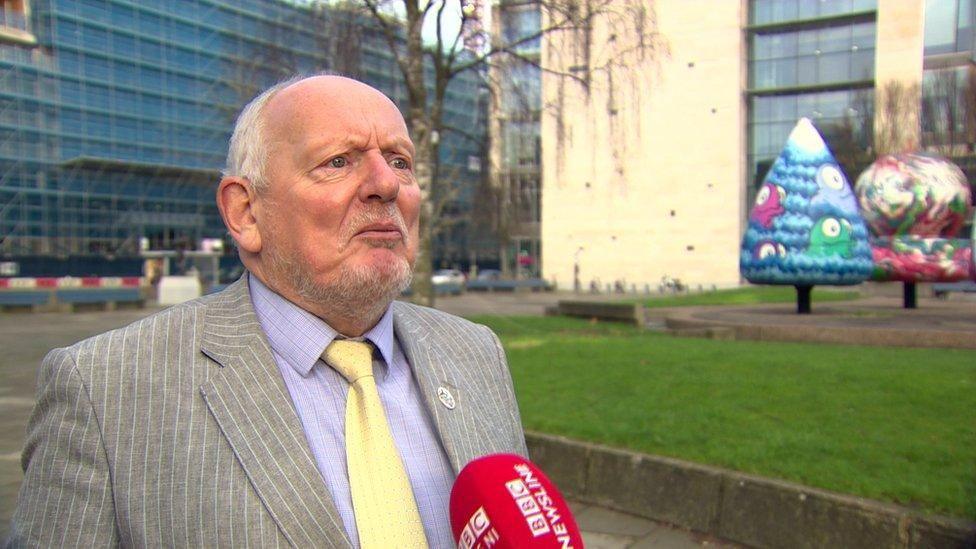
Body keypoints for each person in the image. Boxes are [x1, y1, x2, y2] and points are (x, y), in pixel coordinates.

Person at [9, 75, 527, 548]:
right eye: (339, 161)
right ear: (245, 212)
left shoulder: (475, 352)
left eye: (399, 161)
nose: (386, 185)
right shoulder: (106, 389)